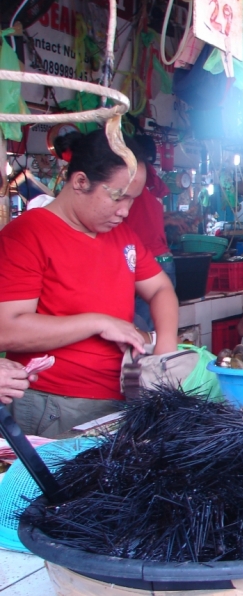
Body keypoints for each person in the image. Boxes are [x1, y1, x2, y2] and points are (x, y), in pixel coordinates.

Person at [0, 129, 179, 437]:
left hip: (119, 399)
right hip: (56, 406)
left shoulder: (122, 235)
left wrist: (164, 354)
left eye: (132, 200)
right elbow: (7, 329)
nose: (124, 211)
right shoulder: (27, 235)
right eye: (117, 197)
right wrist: (97, 323)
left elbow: (161, 289)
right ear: (80, 182)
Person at [124, 134, 175, 332]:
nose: (122, 209)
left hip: (150, 260)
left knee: (145, 328)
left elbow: (161, 290)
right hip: (161, 258)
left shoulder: (137, 180)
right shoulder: (148, 183)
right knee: (148, 328)